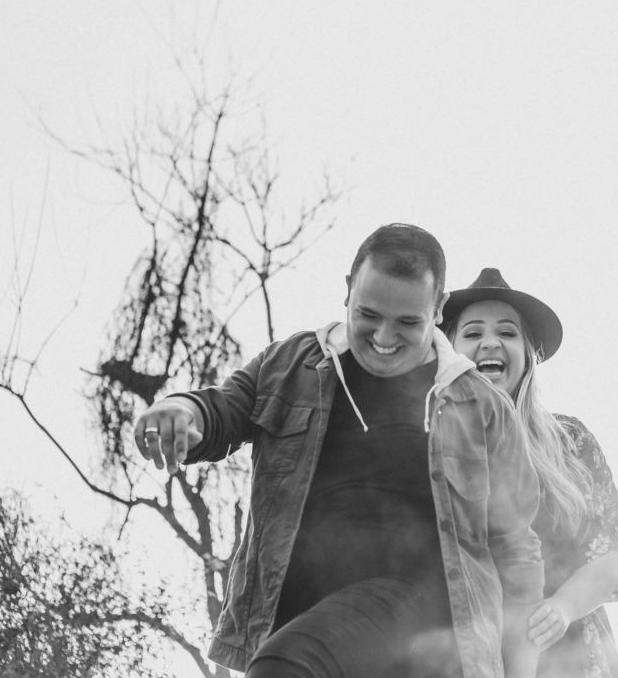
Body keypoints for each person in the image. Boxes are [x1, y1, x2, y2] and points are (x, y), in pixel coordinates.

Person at [134, 225, 543, 678]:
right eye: (369, 314)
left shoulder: (481, 405)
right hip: (299, 616)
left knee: (283, 666)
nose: (384, 337)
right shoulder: (294, 364)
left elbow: (517, 553)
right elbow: (225, 407)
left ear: (439, 309)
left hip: (422, 624)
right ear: (348, 290)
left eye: (408, 322)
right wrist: (180, 410)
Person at [443, 267, 618, 678]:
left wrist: (563, 606)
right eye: (473, 332)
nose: (490, 342)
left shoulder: (570, 440)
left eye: (507, 332)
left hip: (575, 658)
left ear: (529, 352)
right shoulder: (428, 446)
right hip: (470, 658)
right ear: (449, 350)